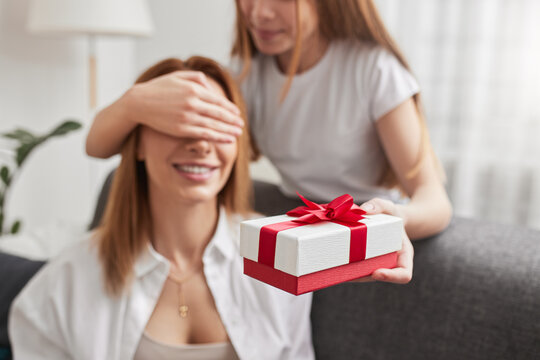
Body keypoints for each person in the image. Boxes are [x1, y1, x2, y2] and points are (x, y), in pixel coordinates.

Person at [9, 57, 414, 360]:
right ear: (137, 144)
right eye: (178, 121)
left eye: (217, 123)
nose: (201, 142)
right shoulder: (64, 283)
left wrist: (386, 233)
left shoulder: (280, 257)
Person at [86, 0, 452, 241]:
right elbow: (97, 147)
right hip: (299, 221)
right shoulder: (248, 77)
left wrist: (388, 221)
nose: (258, 13)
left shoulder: (373, 70)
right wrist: (134, 102)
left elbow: (434, 200)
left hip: (364, 228)